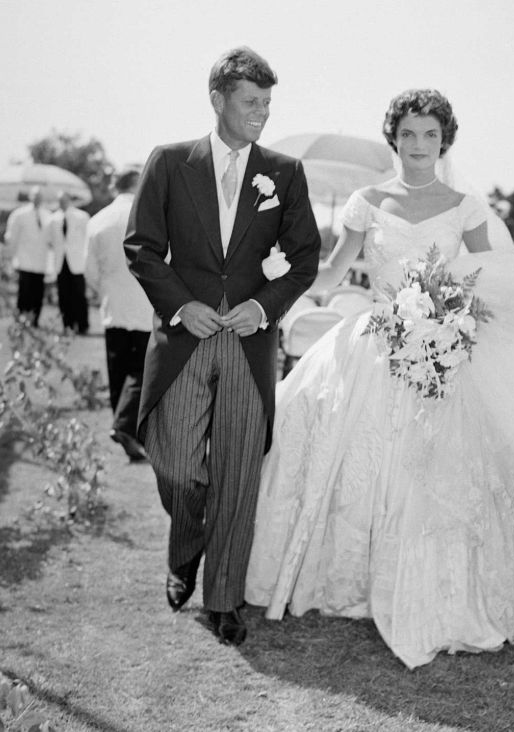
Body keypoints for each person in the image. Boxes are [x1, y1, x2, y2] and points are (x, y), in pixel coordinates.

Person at [245, 89, 514, 669]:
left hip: (442, 347)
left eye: (431, 136)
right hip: (373, 342)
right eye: (410, 134)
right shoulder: (367, 201)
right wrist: (274, 277)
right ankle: (348, 578)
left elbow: (487, 277)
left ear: (445, 141)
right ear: (393, 136)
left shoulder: (465, 206)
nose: (419, 146)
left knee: (440, 466)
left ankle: (438, 586)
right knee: (334, 443)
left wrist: (450, 316)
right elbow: (335, 268)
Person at [124, 47, 321, 646]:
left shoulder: (284, 172)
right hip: (184, 338)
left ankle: (225, 598)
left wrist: (262, 308)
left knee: (238, 471)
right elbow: (142, 247)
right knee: (179, 464)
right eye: (249, 102)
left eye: (267, 103)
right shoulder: (167, 162)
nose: (261, 112)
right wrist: (184, 305)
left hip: (250, 343)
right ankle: (186, 546)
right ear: (218, 100)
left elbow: (305, 258)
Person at [85, 168, 151, 462]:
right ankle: (126, 428)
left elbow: (88, 271)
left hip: (113, 307)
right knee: (142, 369)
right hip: (146, 304)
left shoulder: (98, 220)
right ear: (139, 185)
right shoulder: (150, 215)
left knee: (119, 371)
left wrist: (106, 289)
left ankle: (122, 427)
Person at [4, 186, 52, 326]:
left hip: (41, 261)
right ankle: (21, 319)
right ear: (30, 197)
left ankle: (35, 319)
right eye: (35, 196)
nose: (37, 199)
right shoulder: (19, 214)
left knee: (38, 293)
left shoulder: (47, 215)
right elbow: (11, 237)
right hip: (25, 260)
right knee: (25, 292)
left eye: (39, 196)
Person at [50, 191, 90, 334]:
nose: (62, 203)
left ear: (69, 200)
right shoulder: (53, 219)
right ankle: (67, 324)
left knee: (79, 295)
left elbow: (88, 239)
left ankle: (82, 325)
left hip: (77, 263)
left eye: (64, 200)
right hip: (61, 263)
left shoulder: (82, 216)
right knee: (64, 296)